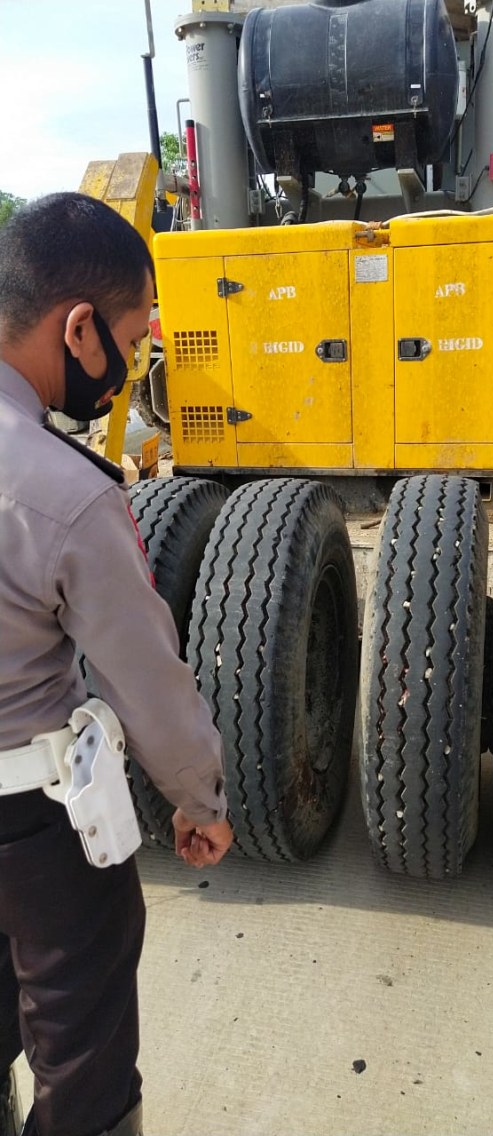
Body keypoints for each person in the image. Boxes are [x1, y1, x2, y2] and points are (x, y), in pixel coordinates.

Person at [0, 193, 233, 1136]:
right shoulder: (60, 492)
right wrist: (199, 799)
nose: (126, 369)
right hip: (32, 830)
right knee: (82, 1051)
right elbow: (145, 678)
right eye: (131, 342)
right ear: (80, 328)